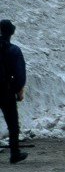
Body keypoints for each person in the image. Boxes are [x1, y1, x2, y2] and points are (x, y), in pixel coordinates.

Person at [1, 19, 28, 164]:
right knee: (12, 124)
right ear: (11, 32)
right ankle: (14, 153)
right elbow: (19, 73)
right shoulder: (14, 50)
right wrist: (18, 90)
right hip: (6, 91)